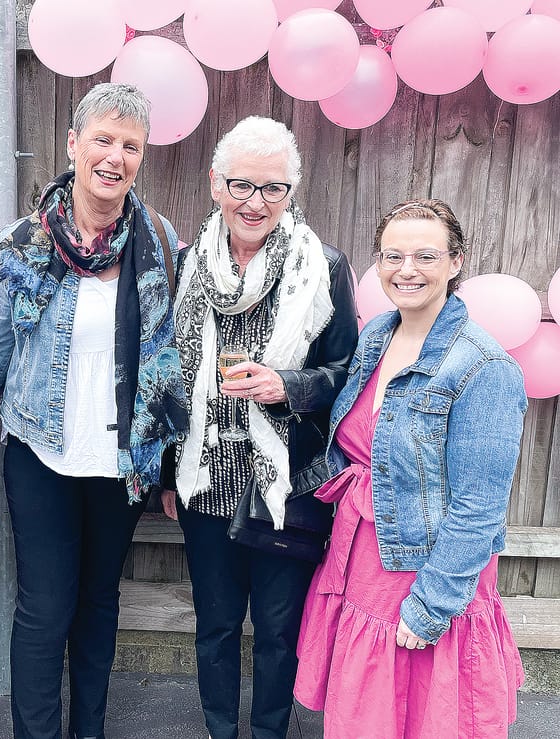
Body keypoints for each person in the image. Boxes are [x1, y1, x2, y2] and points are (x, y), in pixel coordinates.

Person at [0, 82, 189, 739]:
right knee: (45, 606)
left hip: (122, 457)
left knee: (99, 602)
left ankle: (88, 730)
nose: (115, 156)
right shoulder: (24, 244)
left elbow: (171, 350)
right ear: (73, 144)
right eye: (103, 139)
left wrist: (169, 456)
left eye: (130, 145)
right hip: (41, 451)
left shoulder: (158, 236)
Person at [293, 199, 526, 738]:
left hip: (423, 570)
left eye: (426, 255)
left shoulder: (485, 369)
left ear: (455, 261)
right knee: (364, 717)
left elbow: (478, 509)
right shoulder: (377, 335)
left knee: (425, 716)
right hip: (362, 560)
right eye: (393, 256)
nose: (407, 269)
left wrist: (433, 606)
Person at [160, 116, 358, 739]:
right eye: (242, 185)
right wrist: (168, 474)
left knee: (278, 629)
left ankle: (270, 730)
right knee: (215, 623)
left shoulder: (323, 267)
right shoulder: (188, 264)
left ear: (291, 193)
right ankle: (221, 729)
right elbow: (167, 375)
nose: (255, 202)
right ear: (215, 184)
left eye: (273, 189)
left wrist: (287, 386)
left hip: (287, 484)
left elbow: (347, 375)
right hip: (205, 480)